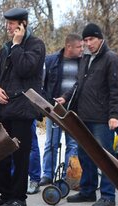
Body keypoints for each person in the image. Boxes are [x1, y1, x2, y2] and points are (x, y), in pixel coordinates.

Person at [56, 23, 118, 206]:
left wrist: (114, 115)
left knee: (105, 157)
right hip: (84, 116)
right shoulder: (86, 58)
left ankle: (108, 196)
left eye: (91, 39)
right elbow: (79, 84)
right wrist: (65, 97)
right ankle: (88, 190)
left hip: (102, 118)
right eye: (85, 40)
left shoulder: (111, 59)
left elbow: (116, 90)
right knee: (85, 155)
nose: (88, 43)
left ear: (100, 38)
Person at [0, 8, 45, 206]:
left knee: (20, 156)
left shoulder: (36, 45)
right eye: (7, 23)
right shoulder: (4, 48)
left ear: (23, 24)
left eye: (12, 24)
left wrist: (17, 46)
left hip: (22, 109)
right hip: (3, 109)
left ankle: (19, 197)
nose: (8, 27)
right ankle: (5, 193)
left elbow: (26, 69)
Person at [38, 33, 83, 187]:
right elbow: (42, 84)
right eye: (79, 47)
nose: (82, 49)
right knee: (51, 143)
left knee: (73, 144)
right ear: (69, 47)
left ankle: (68, 176)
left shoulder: (83, 62)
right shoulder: (52, 60)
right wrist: (48, 104)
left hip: (74, 110)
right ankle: (47, 175)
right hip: (54, 108)